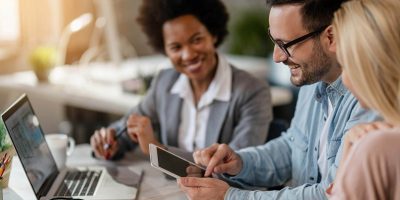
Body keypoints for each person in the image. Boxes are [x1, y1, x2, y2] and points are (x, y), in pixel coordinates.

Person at [178, 0, 379, 199]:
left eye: (285, 44)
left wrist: (230, 197)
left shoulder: (372, 99)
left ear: (331, 37)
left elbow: (331, 195)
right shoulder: (313, 82)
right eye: (274, 42)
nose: (277, 57)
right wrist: (240, 163)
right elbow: (293, 146)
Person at [90, 0, 272, 161]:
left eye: (197, 40)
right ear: (164, 50)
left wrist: (156, 150)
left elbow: (237, 167)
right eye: (175, 47)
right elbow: (125, 133)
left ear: (213, 35)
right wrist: (108, 142)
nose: (188, 55)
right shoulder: (165, 82)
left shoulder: (253, 92)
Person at [327, 0, 400, 199]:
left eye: (345, 65)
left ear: (367, 66)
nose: (345, 78)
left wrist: (352, 153)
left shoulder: (377, 148)